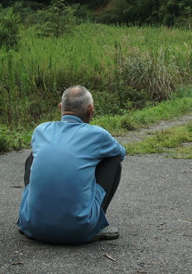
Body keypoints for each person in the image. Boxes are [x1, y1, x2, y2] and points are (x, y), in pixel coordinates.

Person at [17, 85, 126, 244]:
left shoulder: (41, 130)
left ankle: (35, 216)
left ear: (61, 108)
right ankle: (95, 225)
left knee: (34, 155)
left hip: (30, 225)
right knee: (112, 159)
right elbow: (121, 153)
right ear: (90, 110)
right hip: (78, 231)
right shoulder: (97, 134)